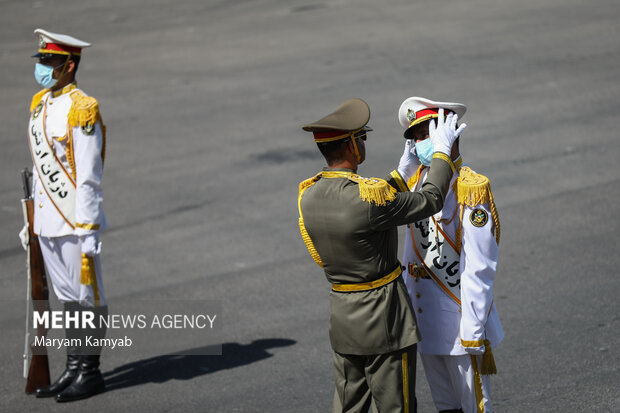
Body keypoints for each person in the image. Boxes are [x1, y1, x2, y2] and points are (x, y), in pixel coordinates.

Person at [298, 98, 465, 413]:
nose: (363, 144)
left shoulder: (309, 195)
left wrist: (399, 175)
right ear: (350, 147)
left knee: (349, 405)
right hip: (384, 321)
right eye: (361, 138)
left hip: (344, 320)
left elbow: (364, 205)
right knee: (395, 406)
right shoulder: (367, 201)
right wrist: (441, 154)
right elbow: (429, 199)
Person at [397, 97, 504, 413]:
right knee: (445, 406)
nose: (420, 143)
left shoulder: (470, 189)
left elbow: (479, 266)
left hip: (459, 324)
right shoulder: (416, 184)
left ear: (449, 134)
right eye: (415, 137)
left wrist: (472, 330)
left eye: (426, 133)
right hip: (425, 320)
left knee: (474, 407)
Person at [19, 28, 108, 402]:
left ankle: (90, 372)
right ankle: (73, 367)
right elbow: (41, 171)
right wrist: (32, 220)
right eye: (41, 61)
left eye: (50, 62)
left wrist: (88, 226)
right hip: (49, 218)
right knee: (67, 297)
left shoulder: (82, 107)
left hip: (74, 218)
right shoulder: (41, 103)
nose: (43, 68)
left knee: (86, 296)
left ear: (69, 65)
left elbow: (88, 174)